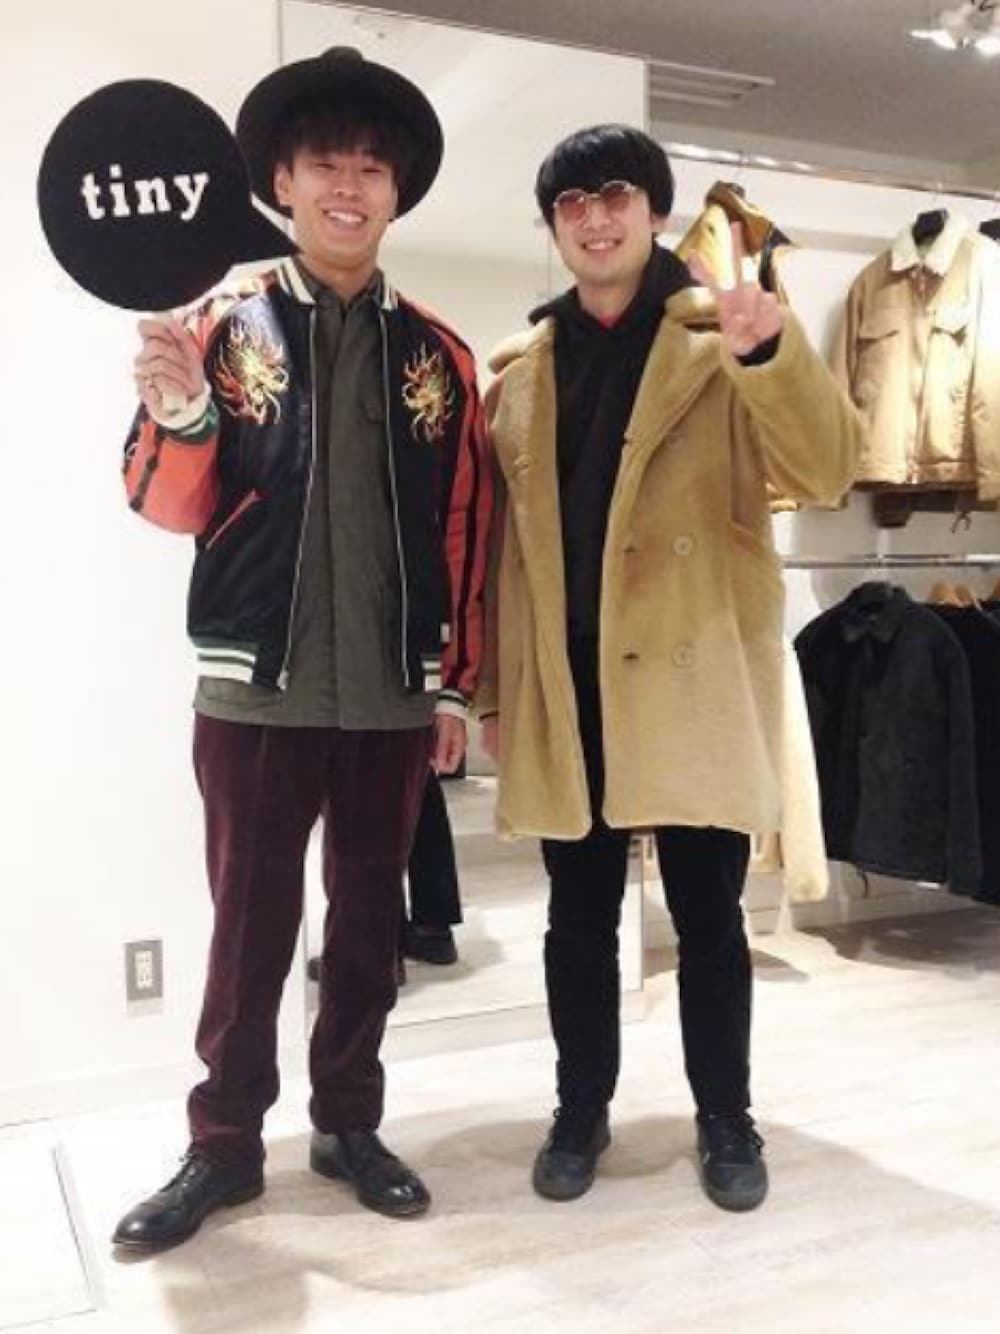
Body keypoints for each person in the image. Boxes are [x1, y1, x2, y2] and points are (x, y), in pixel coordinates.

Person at [112, 47, 491, 1250]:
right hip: (255, 691)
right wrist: (180, 413)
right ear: (280, 179)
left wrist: (453, 686)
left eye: (371, 167)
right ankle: (224, 1143)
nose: (347, 185)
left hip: (388, 694)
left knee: (370, 930)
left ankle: (349, 1123)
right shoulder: (216, 328)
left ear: (396, 191)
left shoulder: (439, 356)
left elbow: (464, 525)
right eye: (325, 162)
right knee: (248, 933)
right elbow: (161, 500)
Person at [477, 125, 860, 1211]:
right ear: (554, 226)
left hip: (690, 679)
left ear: (653, 212)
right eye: (571, 203)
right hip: (571, 684)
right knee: (576, 921)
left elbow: (827, 467)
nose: (594, 218)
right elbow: (505, 557)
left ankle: (725, 1116)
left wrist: (772, 356)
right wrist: (499, 692)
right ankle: (579, 1108)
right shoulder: (519, 371)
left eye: (615, 195)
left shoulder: (721, 339)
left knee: (707, 918)